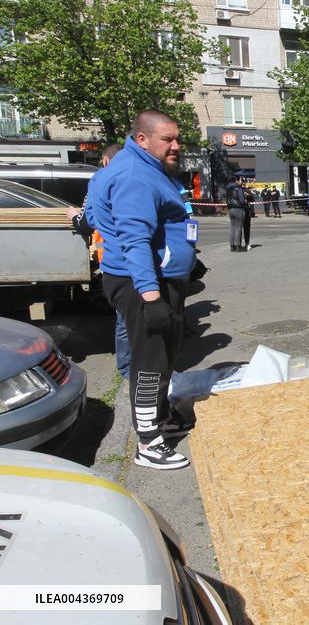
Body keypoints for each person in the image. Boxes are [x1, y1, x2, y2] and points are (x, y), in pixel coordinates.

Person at [87, 109, 198, 470]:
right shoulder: (134, 175)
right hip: (143, 284)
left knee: (165, 354)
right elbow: (134, 239)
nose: (176, 146)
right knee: (151, 361)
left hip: (157, 278)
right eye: (168, 139)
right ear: (142, 139)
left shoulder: (147, 168)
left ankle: (161, 419)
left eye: (177, 138)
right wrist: (151, 298)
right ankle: (148, 443)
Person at [74, 143, 130, 379]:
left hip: (115, 263)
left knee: (124, 321)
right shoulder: (138, 177)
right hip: (139, 263)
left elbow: (86, 220)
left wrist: (75, 218)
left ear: (105, 161)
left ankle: (128, 370)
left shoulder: (99, 180)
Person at [226, 176, 250, 252]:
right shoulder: (238, 188)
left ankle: (232, 246)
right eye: (240, 180)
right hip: (238, 209)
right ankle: (238, 247)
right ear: (237, 180)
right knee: (238, 228)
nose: (241, 181)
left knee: (232, 228)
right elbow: (242, 200)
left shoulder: (228, 188)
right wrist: (245, 200)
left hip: (230, 209)